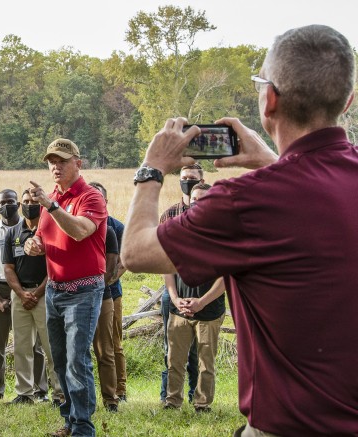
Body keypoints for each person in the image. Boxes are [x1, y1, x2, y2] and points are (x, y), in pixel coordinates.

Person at [121, 25, 358, 436]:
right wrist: (273, 161)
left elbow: (136, 252)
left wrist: (152, 168)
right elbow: (315, 199)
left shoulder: (243, 203)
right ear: (348, 102)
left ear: (269, 100)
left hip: (291, 426)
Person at [25, 138, 107, 437]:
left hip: (84, 290)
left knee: (76, 359)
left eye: (62, 161)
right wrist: (33, 244)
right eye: (51, 161)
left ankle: (84, 427)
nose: (55, 166)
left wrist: (51, 205)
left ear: (78, 163)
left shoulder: (91, 196)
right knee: (59, 361)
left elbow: (80, 231)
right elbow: (46, 239)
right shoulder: (53, 199)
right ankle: (70, 421)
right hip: (56, 290)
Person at [0, 189, 48, 401]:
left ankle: (39, 390)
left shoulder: (33, 228)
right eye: (2, 202)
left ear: (18, 204)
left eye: (11, 201)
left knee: (34, 345)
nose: (6, 206)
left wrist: (27, 292)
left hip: (29, 288)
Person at [163, 183, 226, 413]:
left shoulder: (221, 237)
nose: (198, 203)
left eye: (204, 200)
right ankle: (172, 402)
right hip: (179, 308)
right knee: (174, 361)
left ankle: (202, 404)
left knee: (205, 363)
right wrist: (175, 298)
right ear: (188, 201)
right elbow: (167, 268)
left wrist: (202, 302)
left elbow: (225, 278)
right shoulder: (177, 232)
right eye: (195, 199)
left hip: (208, 311)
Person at [2, 188, 63, 405]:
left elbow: (55, 266)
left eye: (33, 200)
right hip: (20, 295)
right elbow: (8, 267)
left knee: (51, 346)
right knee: (22, 346)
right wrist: (21, 293)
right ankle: (25, 392)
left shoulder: (51, 229)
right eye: (25, 201)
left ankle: (59, 393)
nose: (29, 204)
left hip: (45, 293)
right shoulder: (12, 232)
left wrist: (37, 293)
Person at [158, 165, 202, 404]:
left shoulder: (212, 215)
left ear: (202, 180)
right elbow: (162, 255)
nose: (187, 182)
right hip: (172, 288)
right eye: (184, 179)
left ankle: (197, 395)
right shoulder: (169, 214)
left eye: (192, 179)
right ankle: (168, 397)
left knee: (196, 350)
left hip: (200, 290)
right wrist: (173, 295)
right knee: (171, 346)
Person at [88, 181, 128, 403]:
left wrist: (106, 282)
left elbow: (123, 262)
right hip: (87, 292)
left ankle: (119, 389)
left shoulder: (117, 227)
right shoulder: (85, 223)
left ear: (106, 201)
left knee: (113, 342)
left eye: (100, 197)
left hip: (111, 291)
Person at [92, 225, 119, 412]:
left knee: (105, 350)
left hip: (101, 296)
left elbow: (110, 269)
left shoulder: (108, 231)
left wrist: (92, 289)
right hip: (73, 297)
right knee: (76, 353)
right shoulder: (71, 227)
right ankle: (80, 399)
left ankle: (110, 400)